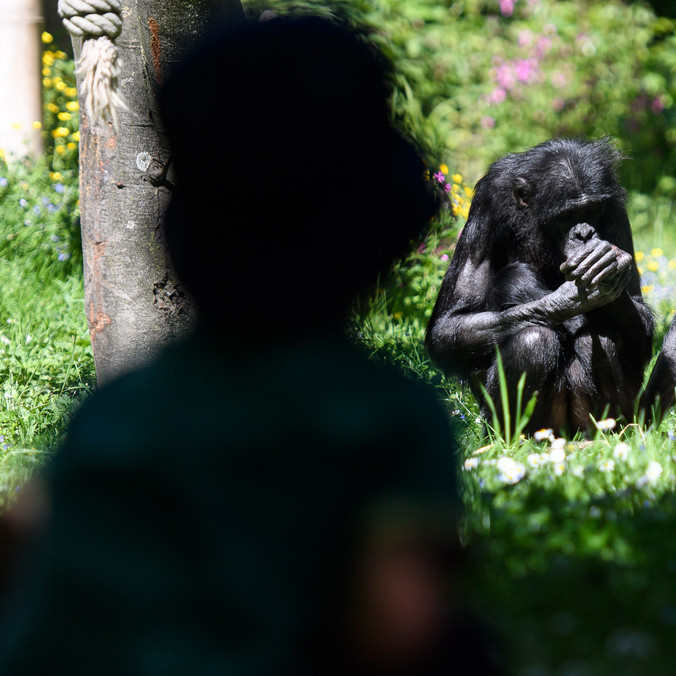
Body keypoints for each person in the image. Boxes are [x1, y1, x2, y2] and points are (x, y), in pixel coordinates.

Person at [0, 16, 492, 674]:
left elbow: (20, 543)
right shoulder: (382, 416)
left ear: (181, 237)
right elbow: (397, 625)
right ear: (388, 228)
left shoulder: (122, 407)